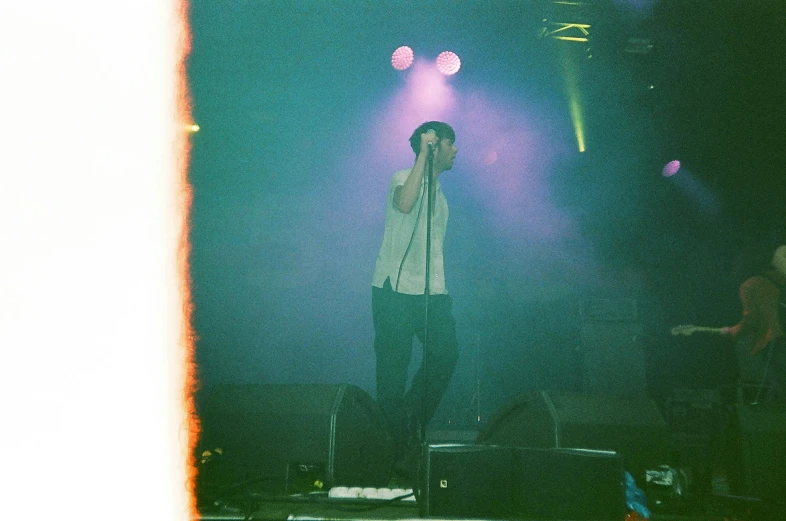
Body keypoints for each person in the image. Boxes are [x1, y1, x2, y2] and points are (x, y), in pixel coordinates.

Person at [371, 121, 459, 475]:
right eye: (451, 145)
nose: (456, 151)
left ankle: (408, 418)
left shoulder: (441, 194)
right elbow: (405, 205)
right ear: (436, 147)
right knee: (392, 375)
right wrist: (424, 154)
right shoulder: (401, 178)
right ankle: (393, 454)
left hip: (431, 294)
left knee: (446, 353)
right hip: (394, 291)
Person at [721, 245, 786, 403]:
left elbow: (753, 319)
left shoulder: (750, 285)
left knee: (779, 388)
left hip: (774, 342)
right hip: (779, 340)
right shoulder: (775, 281)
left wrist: (733, 332)